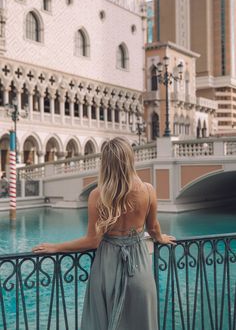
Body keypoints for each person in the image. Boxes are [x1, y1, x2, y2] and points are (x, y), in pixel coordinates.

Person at [33, 137, 175, 330]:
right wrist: (161, 238)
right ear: (130, 159)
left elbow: (92, 241)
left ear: (106, 163)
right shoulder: (148, 191)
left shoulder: (98, 195)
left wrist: (56, 247)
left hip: (107, 267)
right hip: (139, 267)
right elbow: (153, 229)